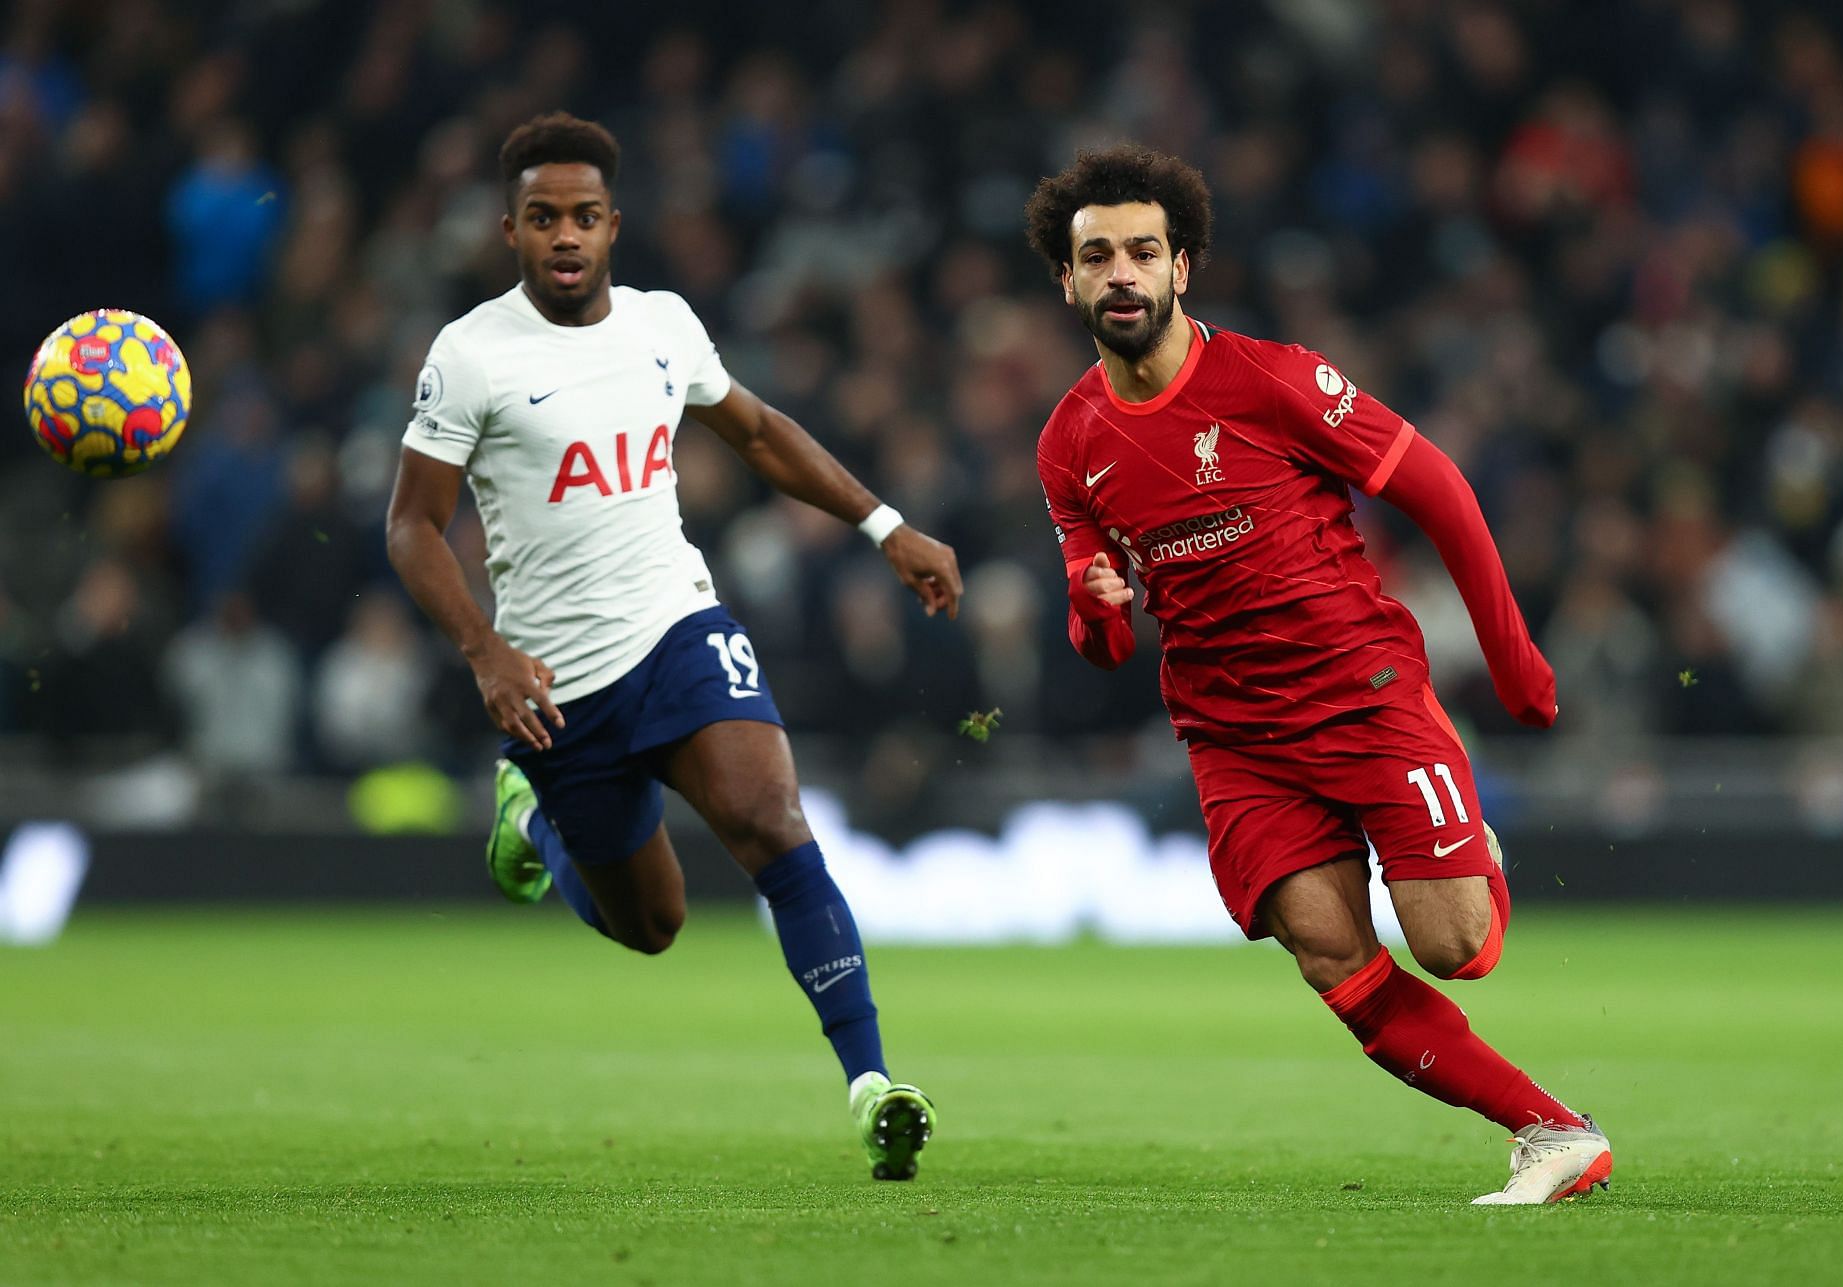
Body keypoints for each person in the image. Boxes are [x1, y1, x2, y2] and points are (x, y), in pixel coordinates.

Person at [1024, 145, 1610, 1205]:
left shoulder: (1274, 380)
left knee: (1456, 948)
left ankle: (1470, 843)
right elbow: (1103, 635)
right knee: (1329, 951)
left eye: (1143, 253)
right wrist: (1088, 611)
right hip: (1234, 735)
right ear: (1065, 280)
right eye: (1097, 255)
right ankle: (1551, 1131)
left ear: (1181, 268)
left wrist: (1513, 659)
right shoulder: (1069, 443)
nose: (1121, 273)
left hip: (1361, 690)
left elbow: (1440, 493)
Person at [386, 113, 962, 1180]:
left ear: (614, 226)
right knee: (653, 924)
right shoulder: (470, 356)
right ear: (509, 231)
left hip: (677, 629)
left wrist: (887, 527)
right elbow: (411, 524)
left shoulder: (661, 324)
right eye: (541, 219)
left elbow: (754, 431)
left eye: (583, 218)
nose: (564, 237)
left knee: (772, 820)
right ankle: (535, 817)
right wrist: (483, 652)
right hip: (556, 682)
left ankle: (871, 1082)